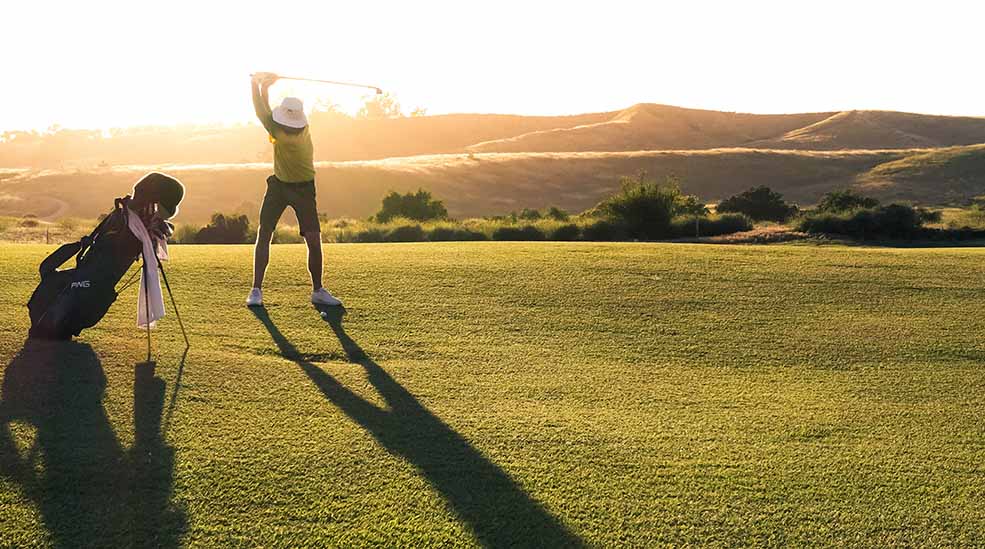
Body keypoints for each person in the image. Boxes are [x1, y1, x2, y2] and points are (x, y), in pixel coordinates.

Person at [246, 72, 342, 308]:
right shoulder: (297, 127)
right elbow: (266, 113)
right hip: (280, 185)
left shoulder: (280, 132)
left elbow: (261, 111)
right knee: (266, 233)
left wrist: (257, 84)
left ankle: (317, 291)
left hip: (302, 189)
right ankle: (256, 290)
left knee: (311, 239)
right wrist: (264, 87)